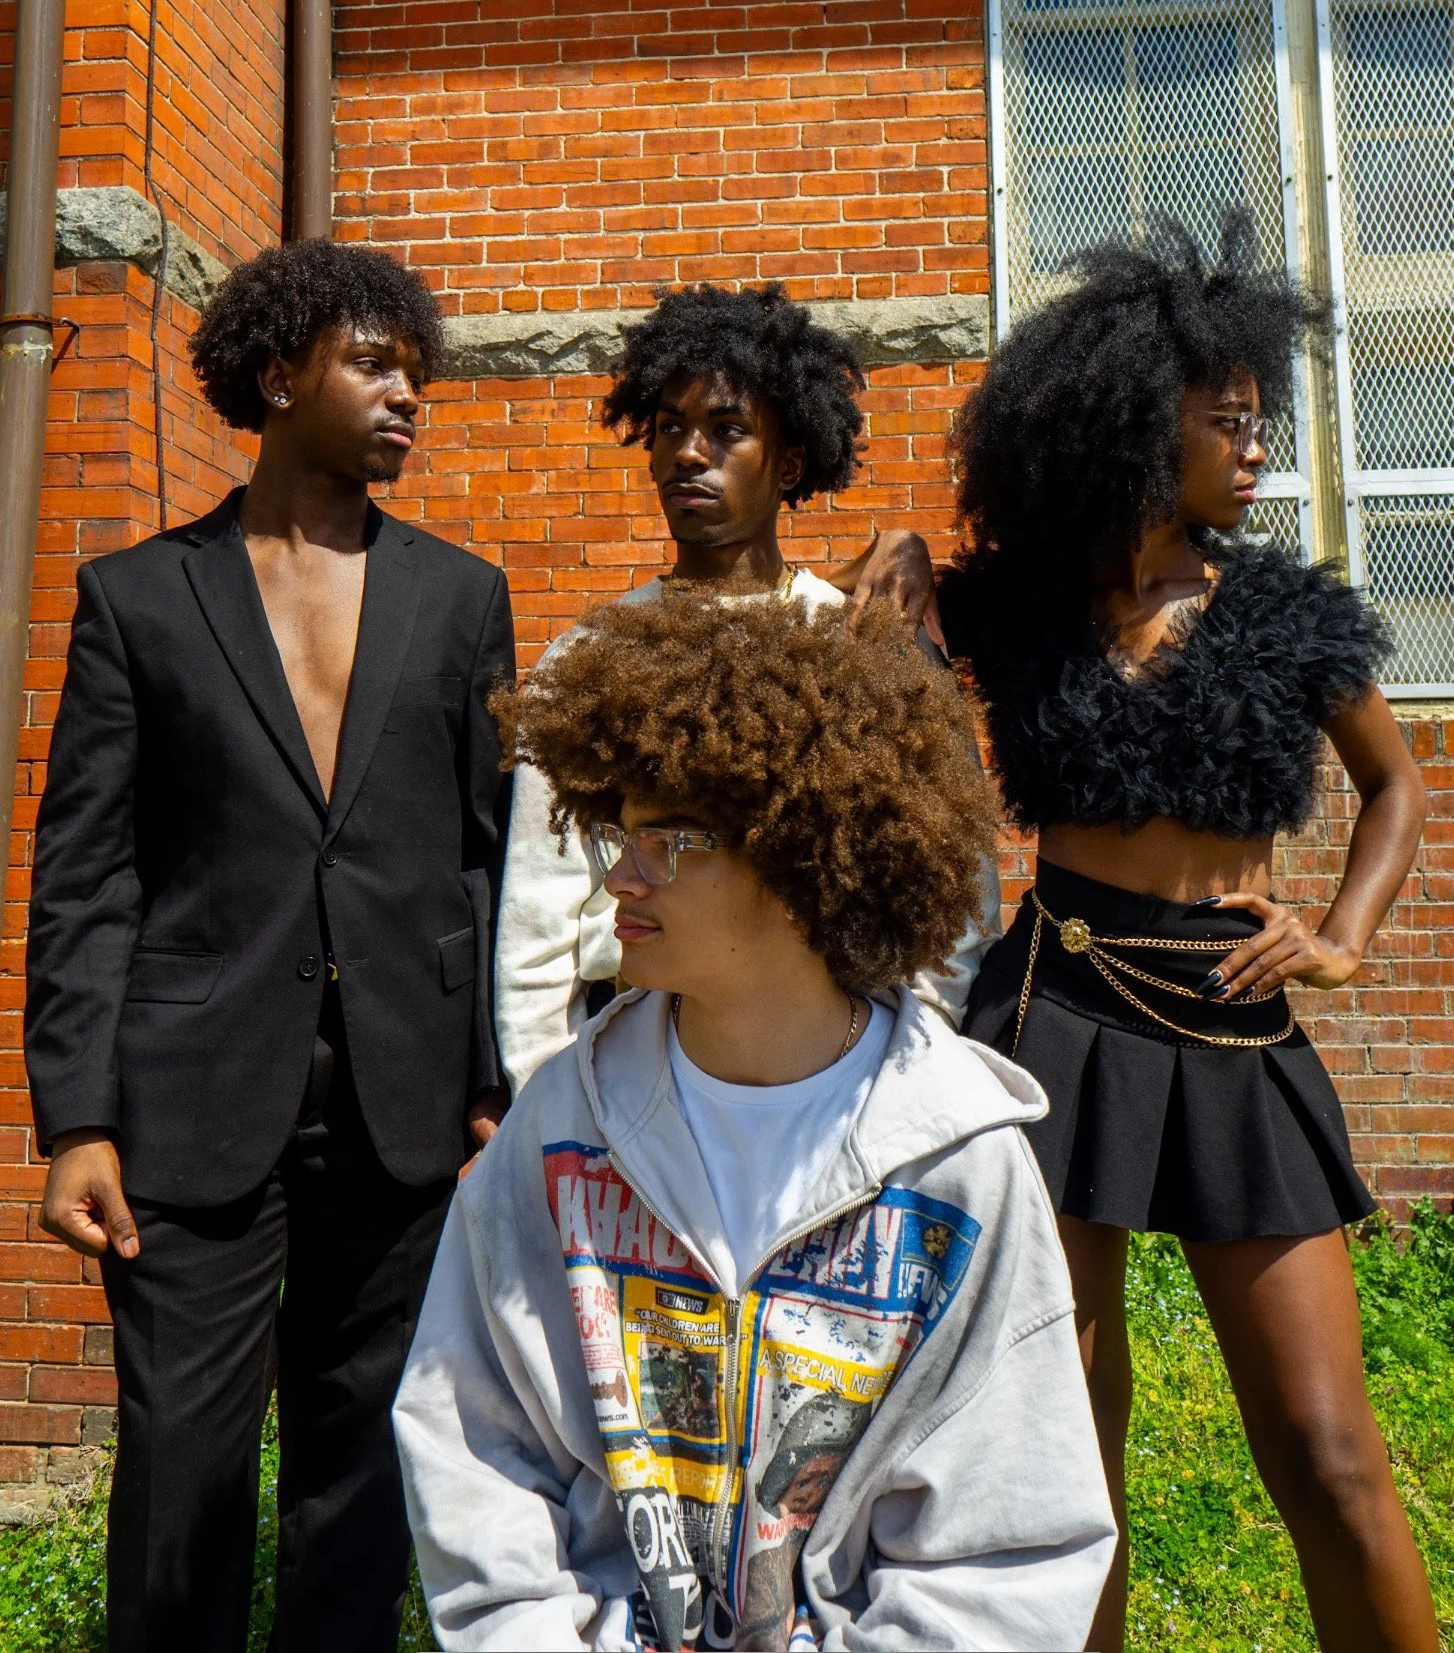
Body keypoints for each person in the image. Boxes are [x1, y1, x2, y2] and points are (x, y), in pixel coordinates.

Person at [394, 588, 1117, 1652]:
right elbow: (474, 1442)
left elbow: (1002, 1546)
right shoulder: (562, 1127)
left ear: (795, 859)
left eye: (666, 841)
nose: (618, 877)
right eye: (619, 834)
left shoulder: (958, 1165)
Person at [939, 211, 1437, 1652]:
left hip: (1230, 1024)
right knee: (1064, 1446)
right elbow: (900, 606)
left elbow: (1394, 785)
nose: (1255, 445)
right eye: (1227, 420)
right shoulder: (1026, 609)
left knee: (1327, 1453)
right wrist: (898, 555)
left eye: (1259, 418)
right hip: (1056, 1017)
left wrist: (1341, 935)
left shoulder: (1281, 612)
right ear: (1133, 427)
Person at [24, 242, 515, 1652]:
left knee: (362, 1469)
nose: (406, 393)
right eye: (373, 364)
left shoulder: (461, 597)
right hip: (189, 1101)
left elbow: (487, 858)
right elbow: (87, 875)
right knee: (181, 1472)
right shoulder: (140, 597)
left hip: (403, 1101)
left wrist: (489, 1070)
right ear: (281, 373)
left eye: (415, 371)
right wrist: (79, 1120)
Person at [494, 282, 996, 1091]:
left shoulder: (862, 645)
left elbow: (957, 900)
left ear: (788, 462)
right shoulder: (585, 661)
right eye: (671, 427)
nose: (690, 453)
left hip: (835, 1059)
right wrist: (553, 1109)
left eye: (727, 429)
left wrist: (901, 1072)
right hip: (630, 1059)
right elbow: (538, 927)